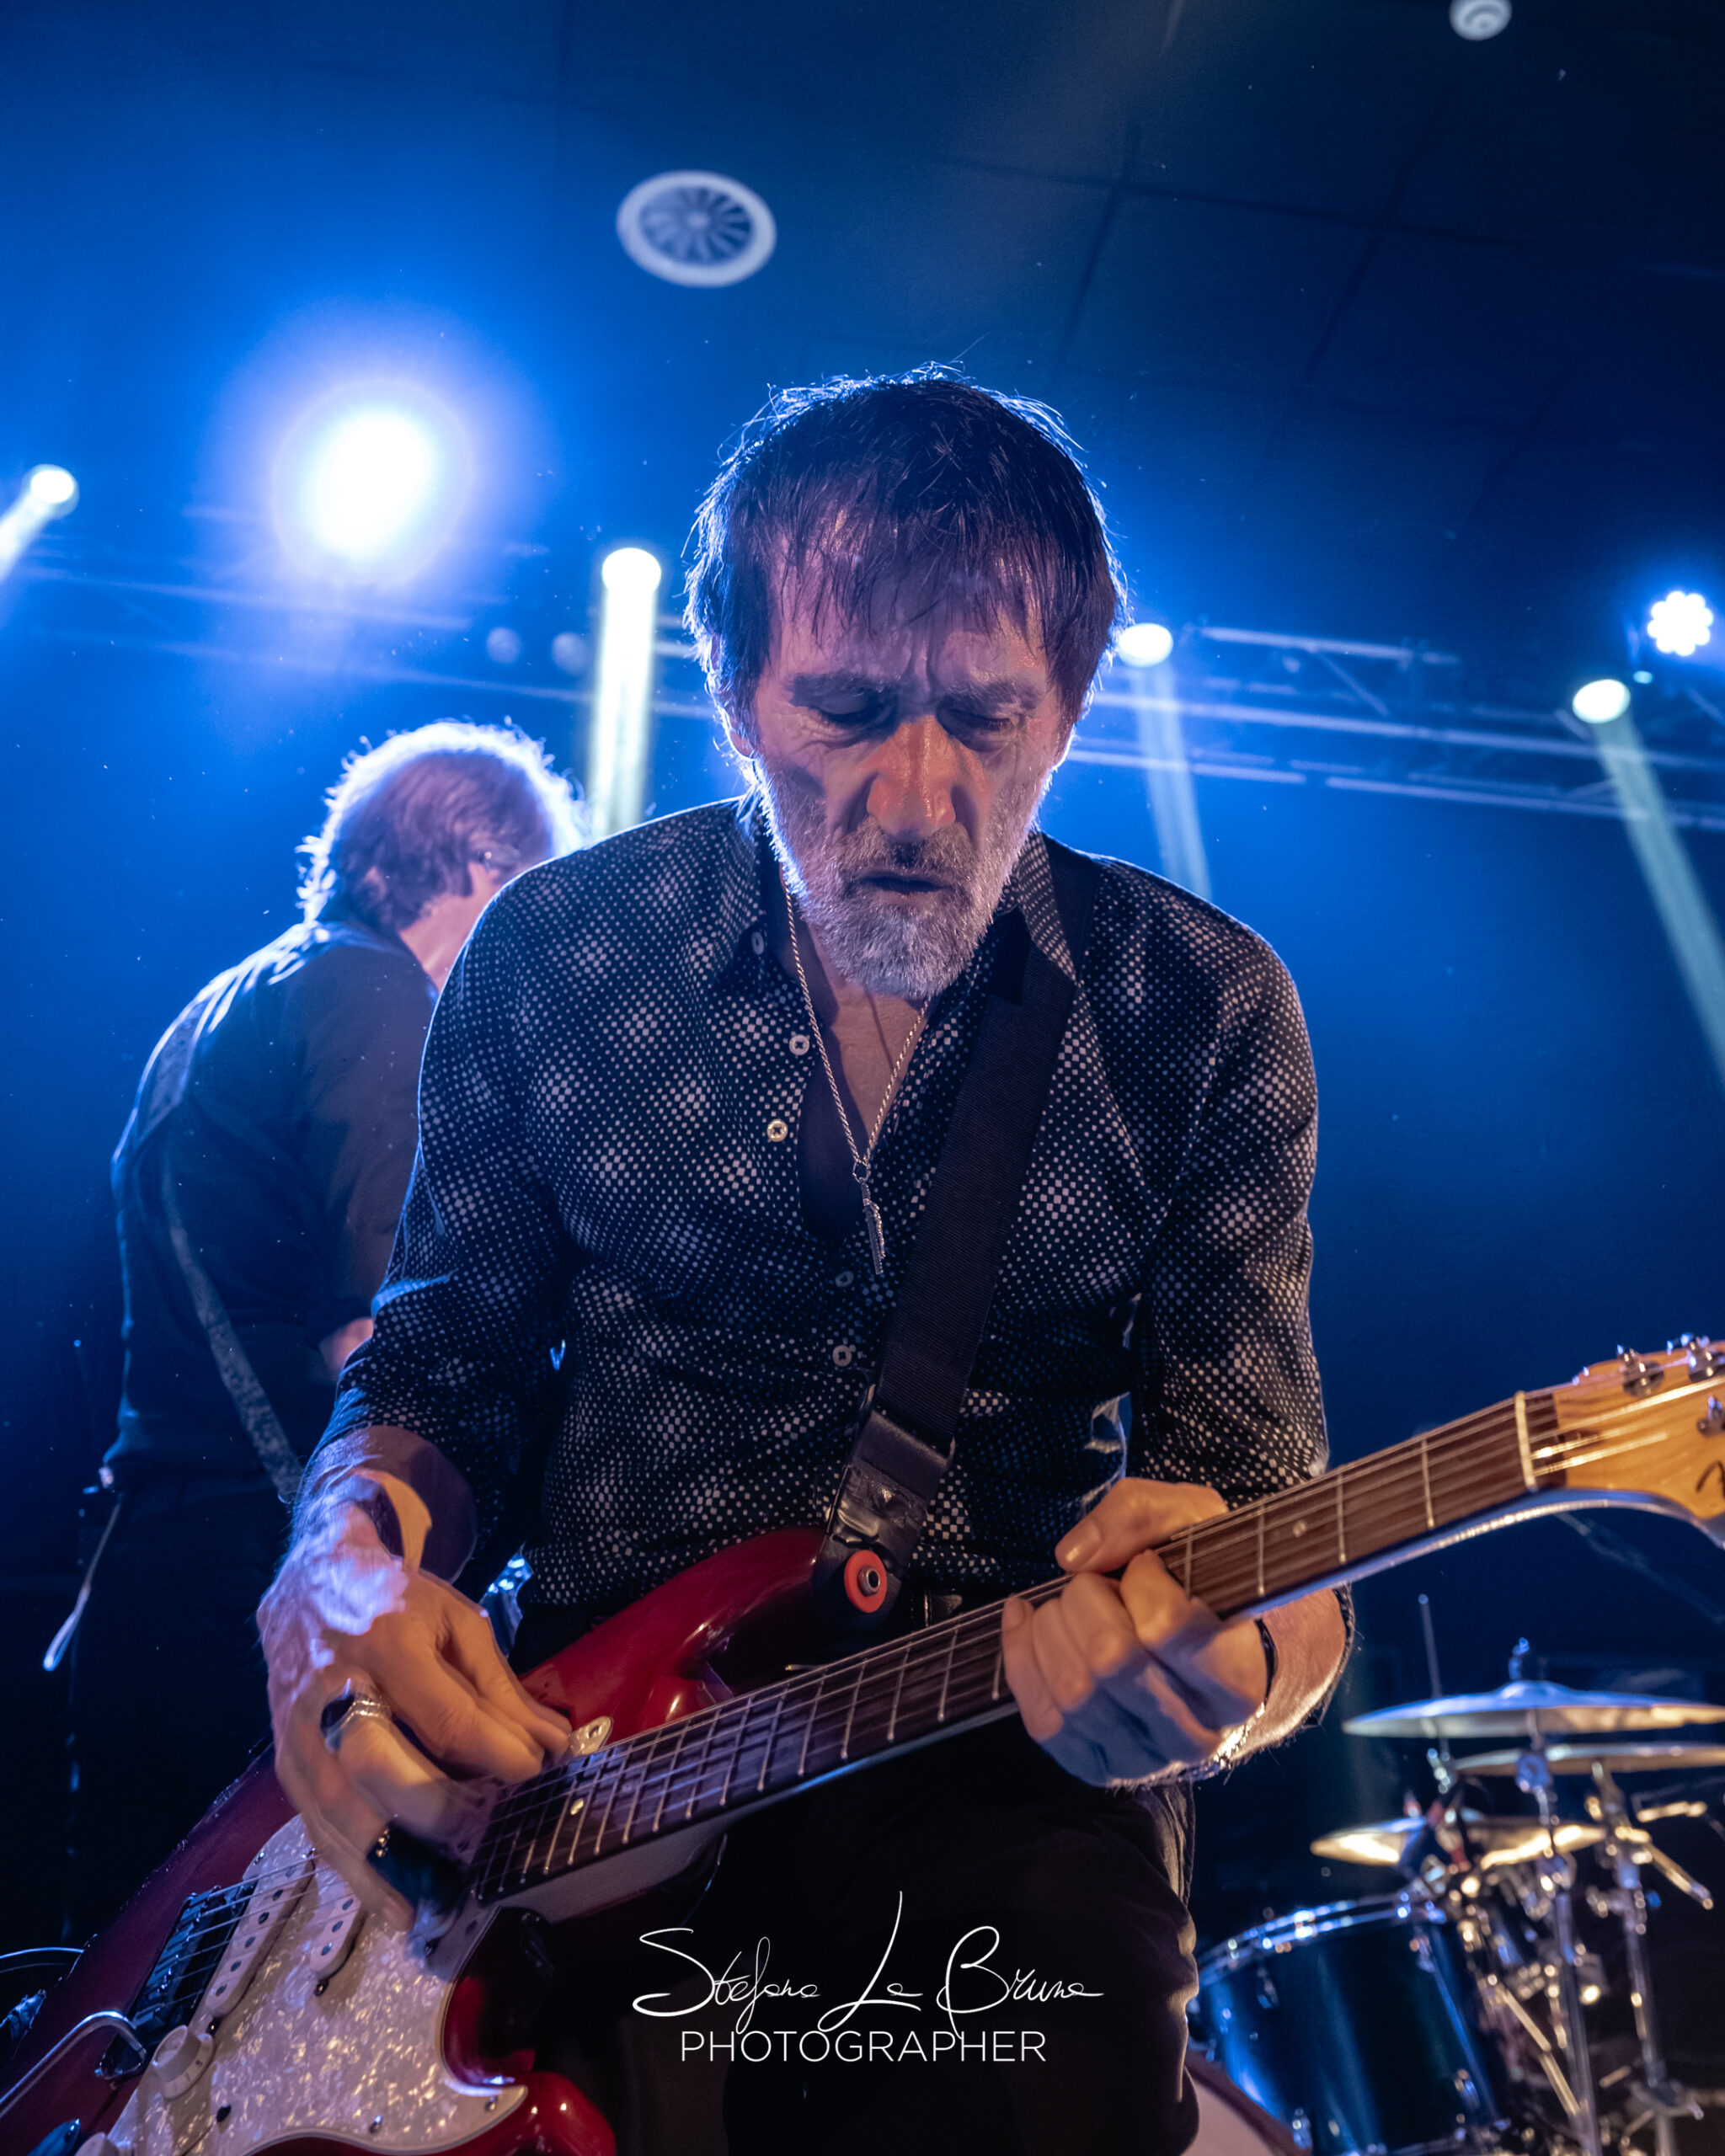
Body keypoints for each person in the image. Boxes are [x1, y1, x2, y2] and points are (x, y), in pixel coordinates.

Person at [259, 372, 1348, 2156]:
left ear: (1071, 709)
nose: (917, 795)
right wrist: (334, 1569)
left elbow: (1267, 1509)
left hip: (1004, 1782)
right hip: (586, 1776)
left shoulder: (1201, 1006)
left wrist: (1239, 1679)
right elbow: (444, 1368)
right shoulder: (557, 951)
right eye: (844, 710)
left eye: (987, 719)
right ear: (731, 691)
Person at [68, 722, 579, 1938]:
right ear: (482, 868)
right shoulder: (377, 993)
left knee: (136, 2006)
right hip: (272, 1588)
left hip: (142, 1582)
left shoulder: (216, 1006)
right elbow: (389, 1336)